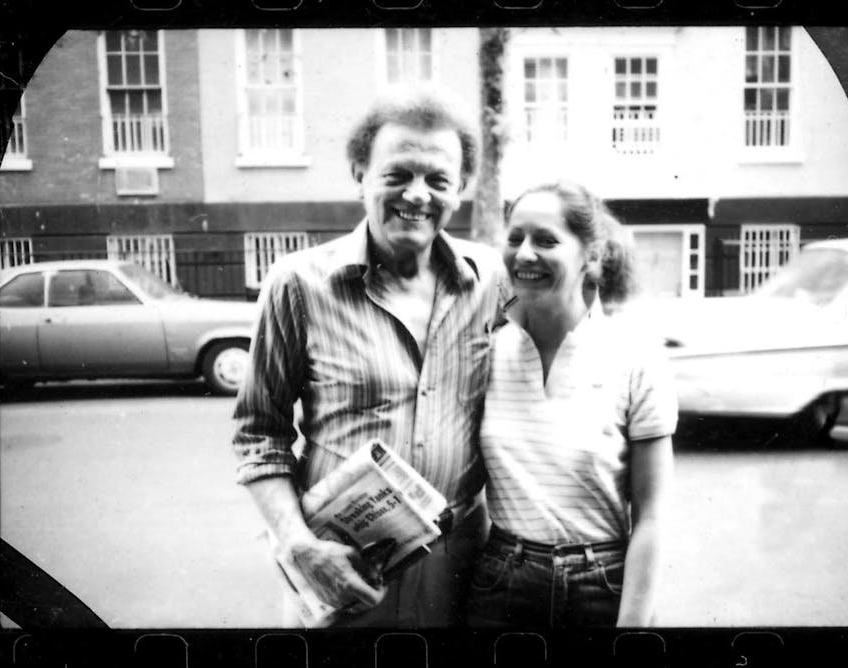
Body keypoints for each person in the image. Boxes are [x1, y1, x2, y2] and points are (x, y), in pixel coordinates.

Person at [231, 85, 508, 627]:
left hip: (461, 567)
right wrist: (297, 543)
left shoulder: (490, 280)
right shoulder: (298, 284)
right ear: (360, 173)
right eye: (397, 174)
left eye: (438, 180)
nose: (418, 195)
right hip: (340, 564)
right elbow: (258, 433)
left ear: (460, 189)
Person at [465, 181, 677, 627]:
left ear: (591, 256)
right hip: (503, 582)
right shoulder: (486, 352)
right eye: (515, 238)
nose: (524, 254)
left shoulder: (636, 356)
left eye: (546, 241)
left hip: (603, 586)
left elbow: (653, 516)